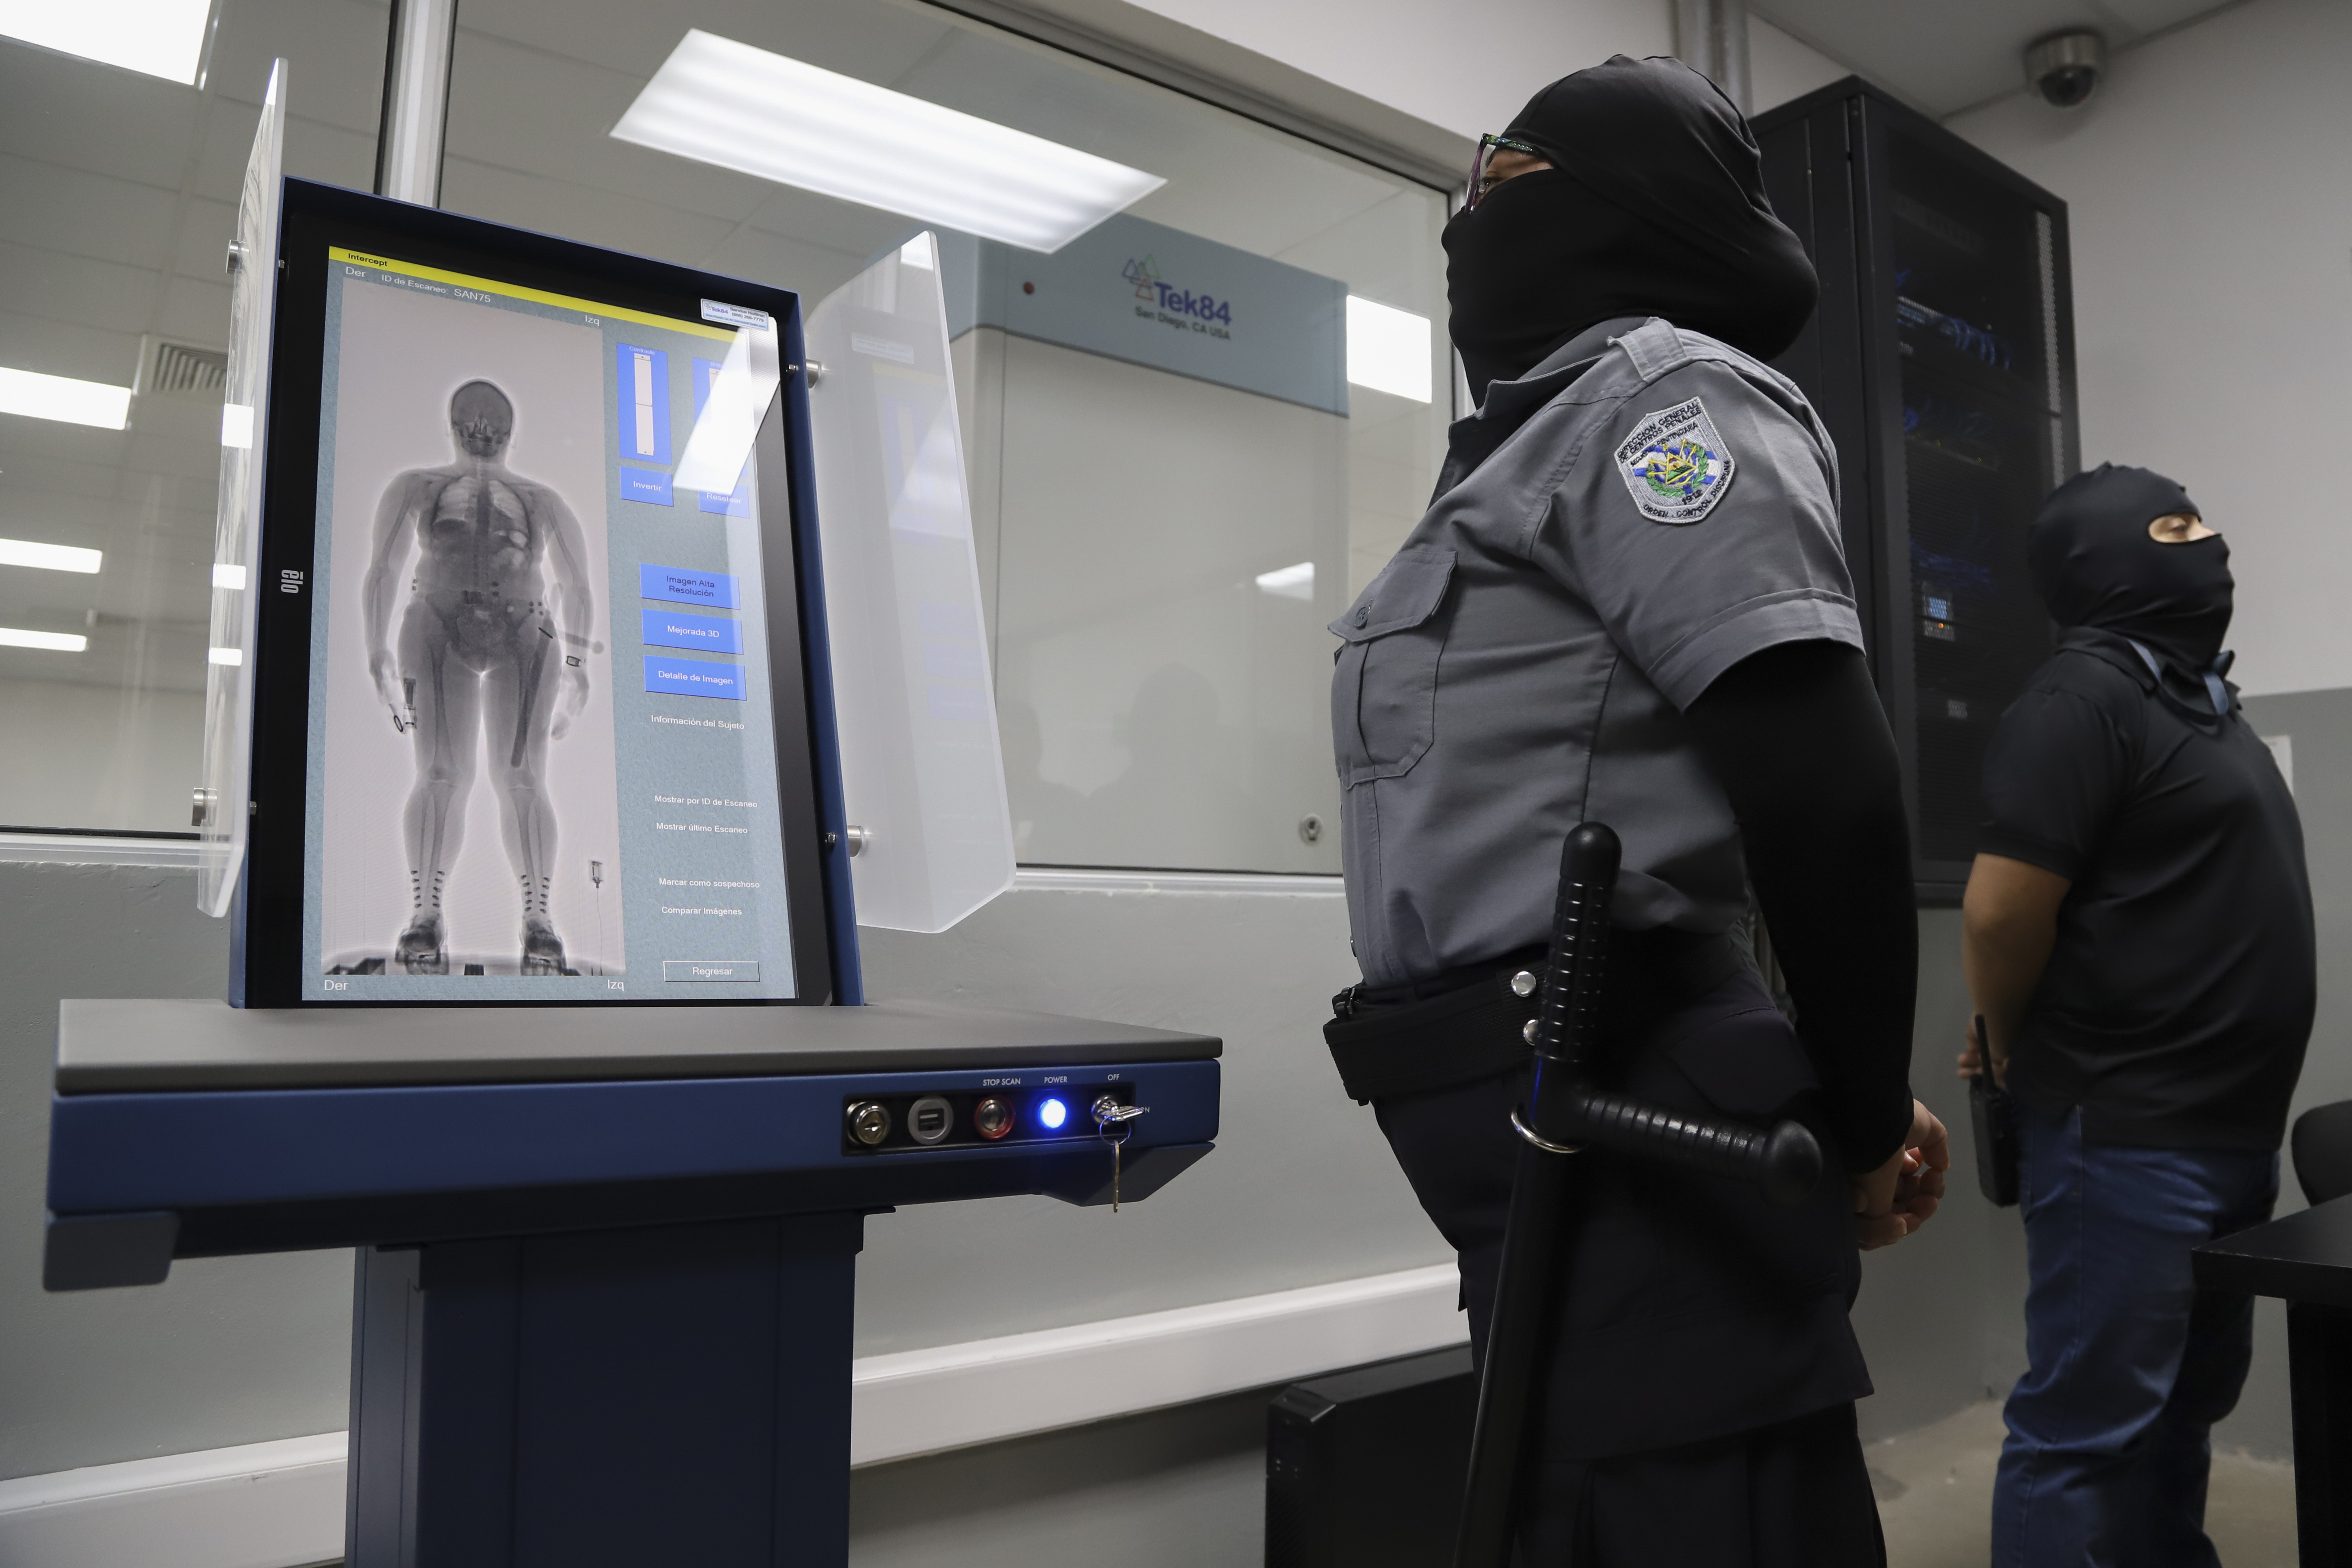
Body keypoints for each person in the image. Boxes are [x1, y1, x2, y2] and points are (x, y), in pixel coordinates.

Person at [1320, 56, 1946, 1564]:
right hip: (1537, 1132)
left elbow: (1827, 786)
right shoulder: (1514, 454)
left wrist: (1863, 1116)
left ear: (1622, 210)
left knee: (1695, 1514)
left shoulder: (1664, 401)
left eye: (1510, 183)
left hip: (1641, 1096)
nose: (1472, 220)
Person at [1959, 463, 2313, 1566]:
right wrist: (2007, 1042)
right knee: (2087, 1426)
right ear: (2102, 561)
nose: (2208, 545)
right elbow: (1998, 913)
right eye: (2174, 525)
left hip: (2223, 1134)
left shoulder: (2198, 701)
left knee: (2180, 1408)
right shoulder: (2083, 696)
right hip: (2123, 1136)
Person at [361, 378, 595, 976]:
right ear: (454, 424)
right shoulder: (419, 487)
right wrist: (376, 649)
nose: (483, 431)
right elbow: (383, 569)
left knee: (521, 776)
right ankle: (424, 913)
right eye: (474, 421)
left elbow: (576, 586)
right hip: (439, 623)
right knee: (441, 773)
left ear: (510, 431)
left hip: (525, 630)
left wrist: (574, 665)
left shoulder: (541, 500)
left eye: (493, 423)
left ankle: (539, 919)